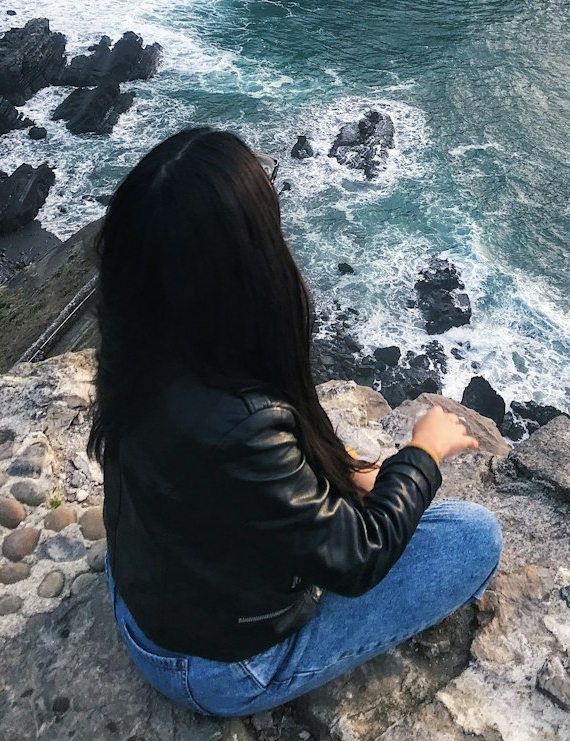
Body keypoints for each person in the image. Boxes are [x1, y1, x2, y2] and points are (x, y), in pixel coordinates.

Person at [90, 127, 502, 719]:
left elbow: (235, 483)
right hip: (213, 663)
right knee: (472, 536)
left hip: (144, 592)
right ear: (246, 262)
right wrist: (423, 454)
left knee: (376, 497)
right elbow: (356, 559)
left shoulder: (135, 346)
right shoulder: (241, 421)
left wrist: (350, 476)